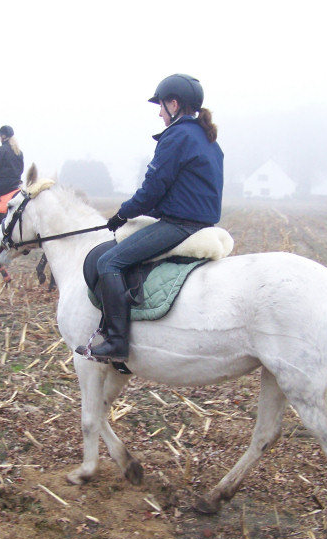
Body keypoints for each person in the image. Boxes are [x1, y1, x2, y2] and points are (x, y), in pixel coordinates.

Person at [76, 74, 223, 362]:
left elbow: (153, 189)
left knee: (108, 262)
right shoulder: (208, 140)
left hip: (179, 226)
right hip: (202, 224)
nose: (159, 113)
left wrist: (123, 213)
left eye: (161, 106)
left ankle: (117, 342)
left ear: (174, 104)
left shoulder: (177, 136)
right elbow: (179, 191)